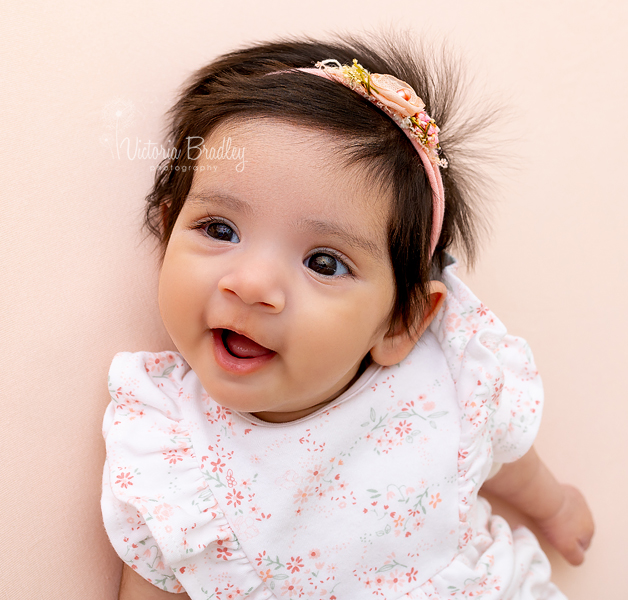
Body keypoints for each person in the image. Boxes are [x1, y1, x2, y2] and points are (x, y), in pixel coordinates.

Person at [101, 35, 594, 600]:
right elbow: (155, 575)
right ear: (167, 231)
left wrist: (554, 505)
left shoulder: (449, 374)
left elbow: (509, 457)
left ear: (400, 323)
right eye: (220, 230)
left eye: (324, 262)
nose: (253, 284)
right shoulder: (171, 451)